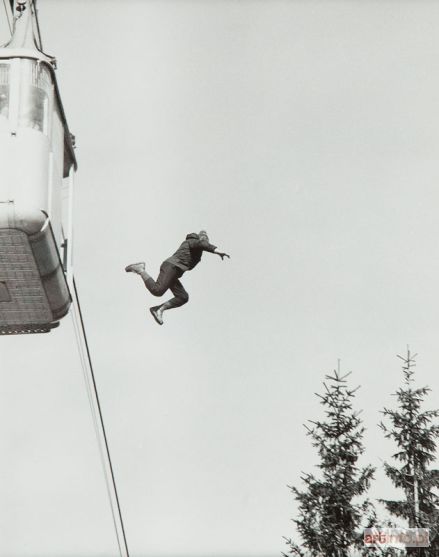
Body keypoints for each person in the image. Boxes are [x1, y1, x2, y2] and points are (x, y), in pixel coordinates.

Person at [125, 230, 230, 325]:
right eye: (204, 239)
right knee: (157, 290)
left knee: (183, 297)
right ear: (200, 238)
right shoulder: (193, 242)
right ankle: (140, 270)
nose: (205, 242)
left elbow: (201, 246)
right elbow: (202, 244)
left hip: (175, 272)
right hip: (171, 267)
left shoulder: (197, 251)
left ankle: (159, 309)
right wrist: (217, 250)